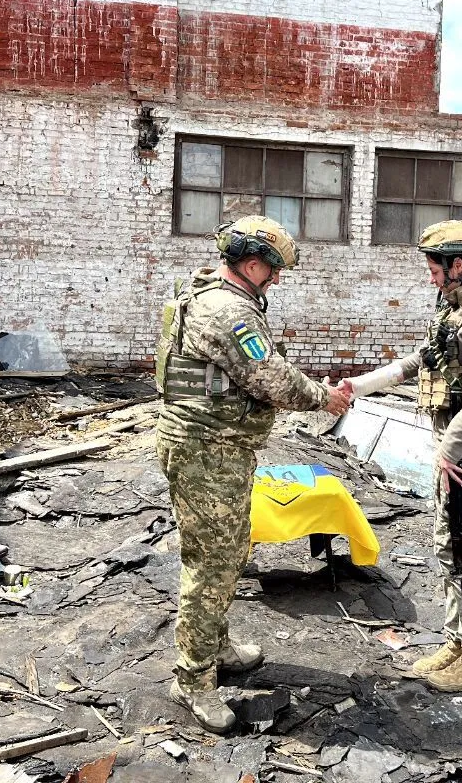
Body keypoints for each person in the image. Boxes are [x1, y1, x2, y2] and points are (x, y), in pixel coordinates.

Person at [154, 215, 351, 732]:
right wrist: (322, 398)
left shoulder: (218, 298)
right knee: (211, 565)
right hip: (205, 453)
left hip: (221, 450)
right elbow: (269, 377)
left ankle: (215, 645)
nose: (277, 280)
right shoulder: (226, 310)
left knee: (232, 550)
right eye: (274, 270)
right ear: (251, 263)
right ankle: (192, 679)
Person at [340, 220, 462, 692]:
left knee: (461, 547)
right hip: (454, 449)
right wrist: (359, 386)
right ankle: (458, 641)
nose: (431, 276)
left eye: (435, 267)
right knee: (447, 546)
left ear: (458, 265)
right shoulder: (452, 311)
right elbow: (417, 363)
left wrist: (447, 449)